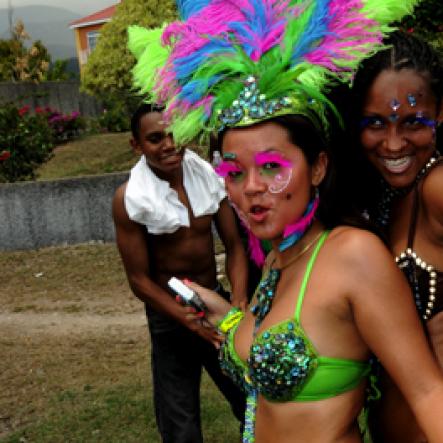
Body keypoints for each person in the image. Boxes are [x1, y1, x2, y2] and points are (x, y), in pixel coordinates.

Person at [127, 1, 443, 442]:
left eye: (273, 167)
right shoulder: (280, 259)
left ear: (317, 167)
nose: (251, 187)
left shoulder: (353, 255)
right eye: (235, 173)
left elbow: (429, 392)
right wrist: (227, 319)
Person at [112, 103, 248, 443]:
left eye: (174, 133)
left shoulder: (205, 176)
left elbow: (234, 246)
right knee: (180, 425)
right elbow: (139, 280)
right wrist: (186, 319)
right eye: (156, 138)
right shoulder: (130, 198)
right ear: (137, 146)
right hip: (169, 316)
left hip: (217, 304)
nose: (169, 144)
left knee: (252, 400)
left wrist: (240, 303)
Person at [338, 30, 443, 442]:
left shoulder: (435, 187)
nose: (394, 143)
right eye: (376, 124)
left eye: (413, 123)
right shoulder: (385, 196)